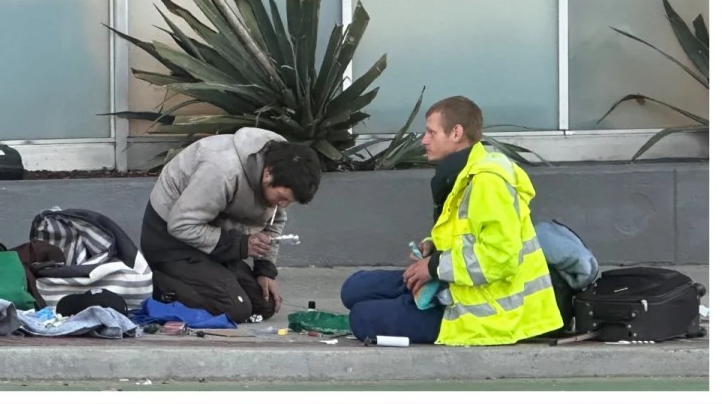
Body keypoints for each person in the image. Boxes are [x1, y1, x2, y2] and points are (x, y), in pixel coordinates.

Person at [341, 96, 562, 345]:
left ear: (456, 132)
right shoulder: (464, 172)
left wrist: (434, 266)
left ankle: (407, 306)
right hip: (452, 284)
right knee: (353, 288)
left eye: (431, 132)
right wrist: (432, 246)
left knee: (361, 318)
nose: (424, 140)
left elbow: (501, 259)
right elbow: (464, 233)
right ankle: (406, 304)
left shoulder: (488, 182)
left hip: (482, 313)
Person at [140, 127, 321, 323]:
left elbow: (274, 222)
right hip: (171, 243)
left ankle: (208, 278)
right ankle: (159, 287)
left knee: (263, 305)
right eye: (282, 198)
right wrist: (241, 245)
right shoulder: (222, 170)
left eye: (289, 202)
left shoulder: (280, 166)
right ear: (268, 173)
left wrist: (265, 270)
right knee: (234, 309)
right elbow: (181, 226)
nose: (284, 206)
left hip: (218, 242)